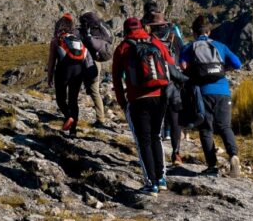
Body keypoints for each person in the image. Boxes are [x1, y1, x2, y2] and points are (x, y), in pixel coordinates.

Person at [112, 17, 175, 195]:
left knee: (143, 141)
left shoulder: (122, 48)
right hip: (160, 96)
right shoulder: (154, 41)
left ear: (125, 30)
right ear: (142, 27)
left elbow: (117, 79)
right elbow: (170, 63)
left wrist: (123, 103)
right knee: (155, 136)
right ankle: (161, 179)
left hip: (138, 99)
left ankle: (151, 183)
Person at [180, 15, 242, 177]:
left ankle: (212, 166)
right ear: (208, 31)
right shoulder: (220, 46)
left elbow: (182, 66)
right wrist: (222, 69)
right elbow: (237, 63)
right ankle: (233, 155)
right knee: (225, 126)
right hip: (223, 92)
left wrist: (193, 72)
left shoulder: (189, 47)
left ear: (194, 32)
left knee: (206, 129)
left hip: (203, 93)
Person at [143, 11, 186, 166]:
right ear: (165, 24)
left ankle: (155, 157)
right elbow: (183, 60)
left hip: (154, 86)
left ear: (151, 27)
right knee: (175, 119)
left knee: (155, 121)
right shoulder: (175, 39)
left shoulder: (148, 41)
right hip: (174, 83)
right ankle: (176, 153)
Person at [46, 13, 97, 137]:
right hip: (78, 72)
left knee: (60, 99)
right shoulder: (77, 39)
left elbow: (52, 61)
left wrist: (49, 76)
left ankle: (68, 117)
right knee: (73, 100)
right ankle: (73, 131)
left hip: (63, 72)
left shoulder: (57, 40)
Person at [78, 12, 113, 126]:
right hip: (96, 61)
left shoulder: (87, 32)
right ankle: (100, 117)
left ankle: (101, 119)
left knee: (94, 91)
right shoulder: (98, 31)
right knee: (93, 90)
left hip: (89, 62)